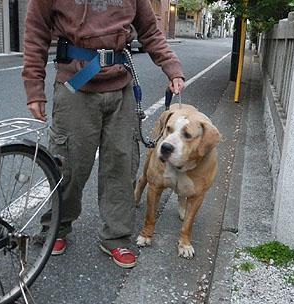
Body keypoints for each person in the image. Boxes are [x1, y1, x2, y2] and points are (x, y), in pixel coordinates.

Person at [22, 0, 185, 269]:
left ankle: (116, 237)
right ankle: (56, 228)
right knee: (69, 163)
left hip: (120, 87)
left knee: (121, 165)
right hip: (75, 87)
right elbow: (35, 33)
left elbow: (150, 30)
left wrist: (172, 67)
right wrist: (34, 88)